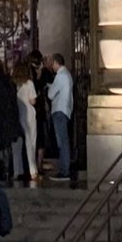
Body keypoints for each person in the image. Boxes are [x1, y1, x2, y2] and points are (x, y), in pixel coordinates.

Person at [45, 52, 79, 187]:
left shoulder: (60, 76)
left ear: (55, 63)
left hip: (59, 110)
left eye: (52, 63)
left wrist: (50, 88)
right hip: (65, 110)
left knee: (62, 142)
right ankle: (65, 169)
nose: (51, 66)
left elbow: (51, 94)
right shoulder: (67, 75)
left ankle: (64, 171)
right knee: (64, 141)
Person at [12, 60, 40, 188]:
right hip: (28, 114)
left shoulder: (12, 83)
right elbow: (33, 101)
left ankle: (17, 171)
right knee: (31, 143)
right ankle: (33, 170)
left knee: (16, 144)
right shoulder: (29, 83)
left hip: (16, 114)